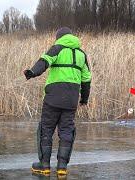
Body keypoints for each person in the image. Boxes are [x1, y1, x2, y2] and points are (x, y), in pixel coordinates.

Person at [24, 27, 91, 177]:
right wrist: (84, 99)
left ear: (59, 37)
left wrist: (32, 72)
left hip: (53, 98)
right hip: (71, 100)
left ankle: (44, 165)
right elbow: (86, 78)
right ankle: (62, 167)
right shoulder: (81, 54)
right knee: (67, 131)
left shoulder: (57, 48)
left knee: (46, 130)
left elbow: (44, 61)